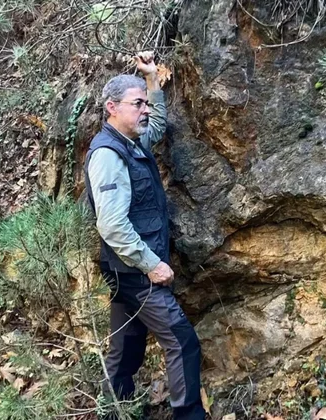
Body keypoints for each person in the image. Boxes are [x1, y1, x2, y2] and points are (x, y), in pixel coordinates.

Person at [84, 51, 205, 420]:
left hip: (124, 272)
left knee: (126, 353)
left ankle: (114, 412)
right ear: (112, 107)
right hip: (138, 274)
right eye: (137, 104)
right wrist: (152, 265)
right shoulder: (108, 155)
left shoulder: (131, 140)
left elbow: (156, 126)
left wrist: (152, 81)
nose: (144, 109)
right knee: (182, 342)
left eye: (143, 103)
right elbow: (112, 225)